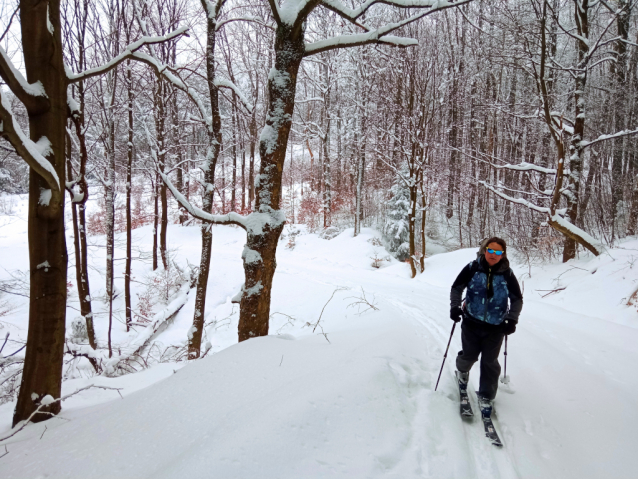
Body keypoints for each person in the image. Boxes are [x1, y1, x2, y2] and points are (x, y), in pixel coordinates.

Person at [449, 237, 523, 409]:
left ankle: (487, 395)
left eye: (498, 252)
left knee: (490, 361)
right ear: (484, 250)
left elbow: (517, 299)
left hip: (496, 326)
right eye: (491, 250)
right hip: (471, 322)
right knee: (469, 355)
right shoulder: (472, 268)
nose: (494, 255)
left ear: (503, 254)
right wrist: (454, 307)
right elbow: (457, 287)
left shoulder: (507, 274)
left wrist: (512, 319)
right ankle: (462, 372)